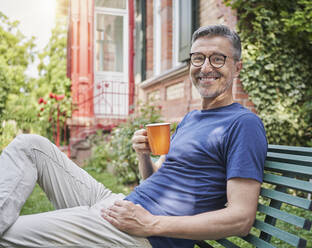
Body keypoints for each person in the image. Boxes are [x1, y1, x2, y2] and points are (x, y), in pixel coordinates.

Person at [0, 24, 267, 248]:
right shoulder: (191, 119)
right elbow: (157, 181)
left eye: (218, 58)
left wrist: (150, 223)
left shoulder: (243, 124)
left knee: (10, 235)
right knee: (29, 145)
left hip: (143, 234)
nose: (206, 67)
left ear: (237, 67)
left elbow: (241, 218)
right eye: (198, 58)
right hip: (121, 204)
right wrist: (143, 156)